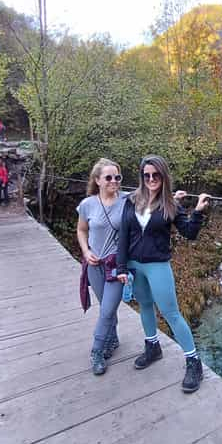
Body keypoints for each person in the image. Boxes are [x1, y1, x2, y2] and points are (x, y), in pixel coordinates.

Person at [117, 155, 210, 393]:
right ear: (141, 177)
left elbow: (189, 233)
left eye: (155, 175)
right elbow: (124, 236)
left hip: (158, 265)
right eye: (146, 175)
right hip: (134, 264)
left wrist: (198, 212)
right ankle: (152, 347)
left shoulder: (171, 205)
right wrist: (121, 268)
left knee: (171, 313)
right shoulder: (131, 200)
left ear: (163, 176)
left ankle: (193, 362)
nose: (151, 179)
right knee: (145, 306)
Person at [77, 158, 128, 376]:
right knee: (106, 309)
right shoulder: (87, 204)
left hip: (116, 267)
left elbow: (152, 201)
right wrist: (86, 252)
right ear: (97, 180)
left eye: (117, 177)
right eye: (108, 177)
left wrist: (172, 197)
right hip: (94, 266)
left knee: (107, 310)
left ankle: (96, 352)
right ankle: (113, 338)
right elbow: (81, 230)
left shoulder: (128, 200)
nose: (113, 181)